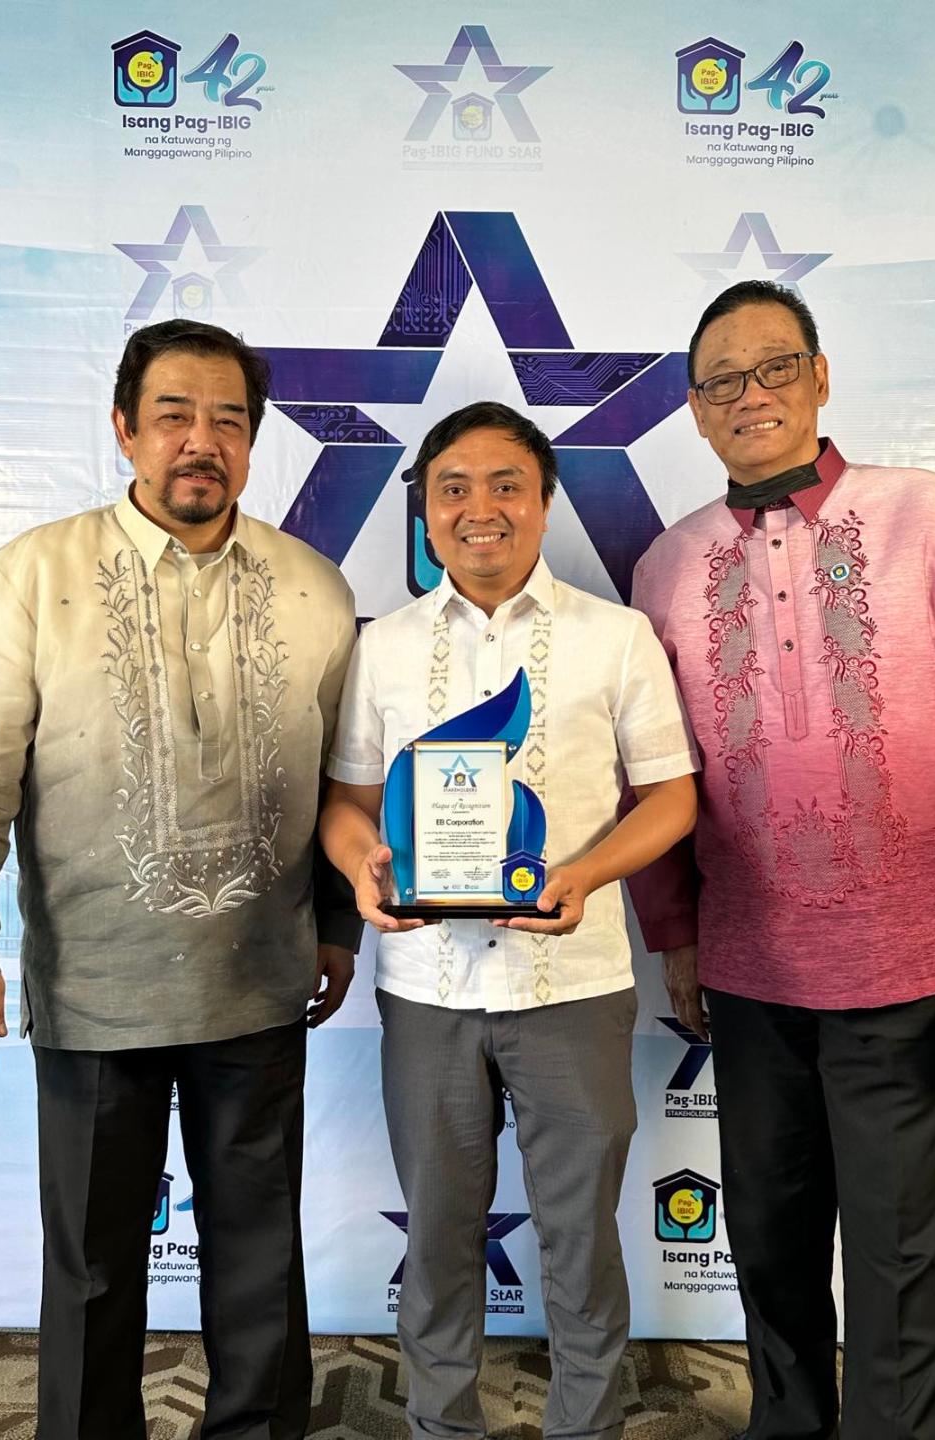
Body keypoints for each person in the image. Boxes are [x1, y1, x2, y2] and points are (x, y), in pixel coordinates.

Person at [628, 279, 935, 1440]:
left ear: (818, 377)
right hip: (751, 976)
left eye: (775, 367)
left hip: (914, 973)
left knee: (907, 1264)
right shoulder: (665, 566)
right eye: (722, 380)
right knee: (770, 1245)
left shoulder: (929, 516)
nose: (750, 394)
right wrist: (676, 933)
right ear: (695, 410)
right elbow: (650, 769)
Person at [0, 319, 360, 1440]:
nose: (201, 440)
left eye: (228, 419)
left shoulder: (313, 588)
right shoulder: (34, 576)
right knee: (91, 1267)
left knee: (258, 1258)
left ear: (253, 441)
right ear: (125, 429)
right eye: (174, 414)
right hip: (98, 989)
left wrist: (337, 926)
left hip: (260, 981)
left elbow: (346, 779)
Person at [320, 401, 699, 1440]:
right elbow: (348, 803)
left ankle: (587, 1425)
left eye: (505, 485)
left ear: (543, 502)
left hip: (572, 985)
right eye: (453, 488)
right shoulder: (385, 646)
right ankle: (442, 1423)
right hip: (427, 990)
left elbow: (671, 797)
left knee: (580, 1235)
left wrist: (584, 873)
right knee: (439, 1233)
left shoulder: (616, 637)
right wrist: (360, 868)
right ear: (425, 511)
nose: (478, 507)